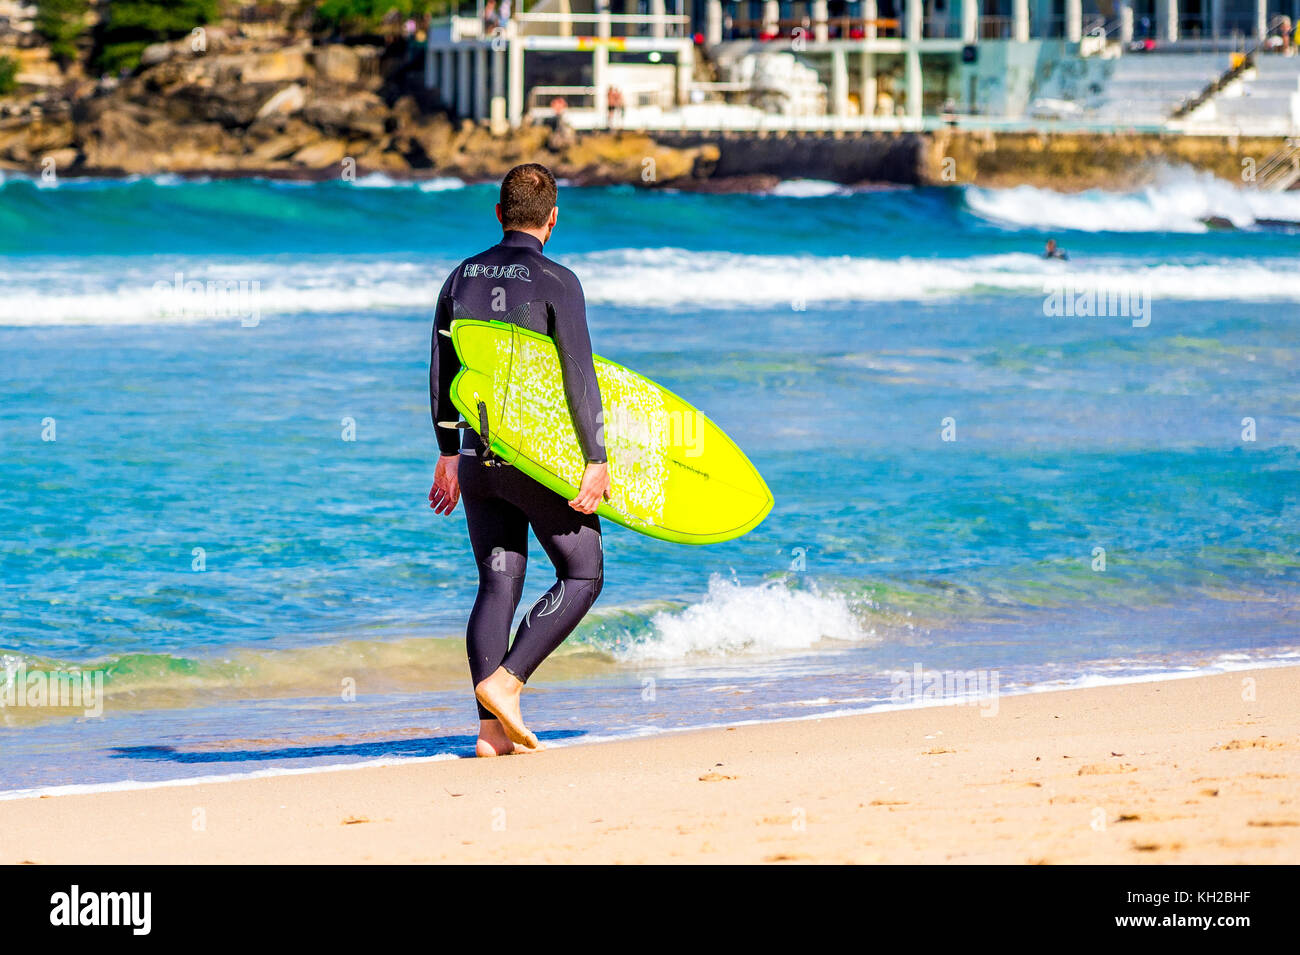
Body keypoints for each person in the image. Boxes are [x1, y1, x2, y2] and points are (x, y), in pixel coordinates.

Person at [428, 164, 610, 757]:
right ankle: (507, 682)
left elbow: (444, 373)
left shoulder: (460, 275)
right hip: (535, 461)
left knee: (497, 583)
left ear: (498, 213)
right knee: (583, 574)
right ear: (552, 218)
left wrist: (448, 455)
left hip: (479, 455)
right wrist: (595, 458)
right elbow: (578, 376)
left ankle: (489, 734)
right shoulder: (559, 279)